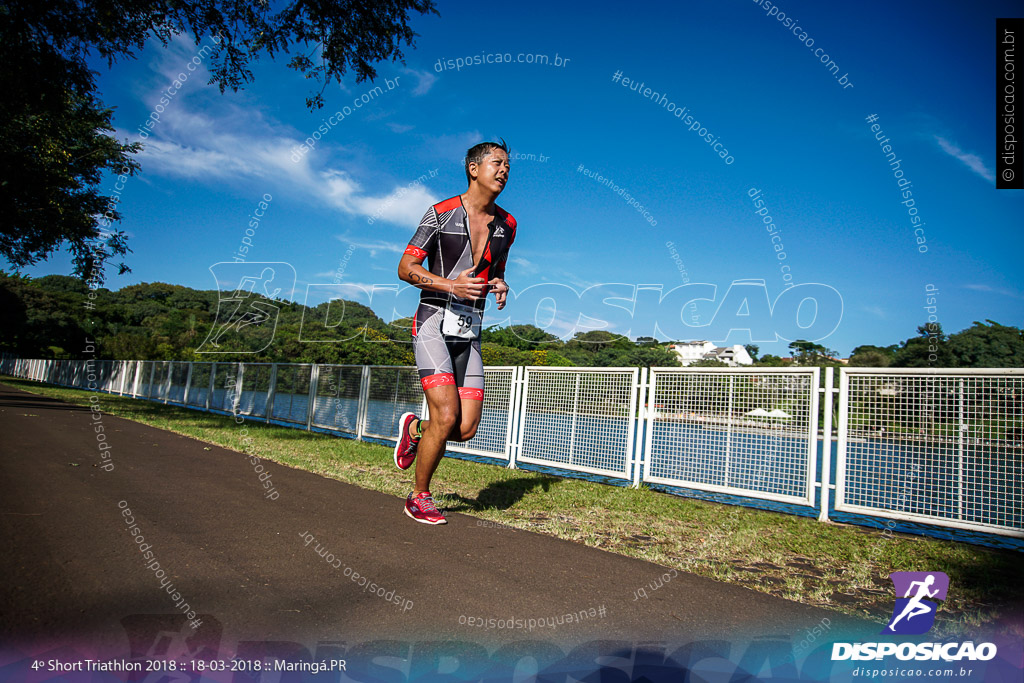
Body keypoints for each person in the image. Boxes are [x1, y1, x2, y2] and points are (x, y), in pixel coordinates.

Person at [393, 140, 516, 524]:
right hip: (432, 323)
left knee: (463, 428)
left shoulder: (508, 225)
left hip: (469, 330)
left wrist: (500, 283)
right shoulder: (440, 213)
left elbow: (498, 269)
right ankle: (419, 496)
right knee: (445, 417)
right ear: (473, 168)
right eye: (497, 163)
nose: (504, 171)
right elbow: (405, 267)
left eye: (508, 166)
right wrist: (451, 286)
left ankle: (414, 429)